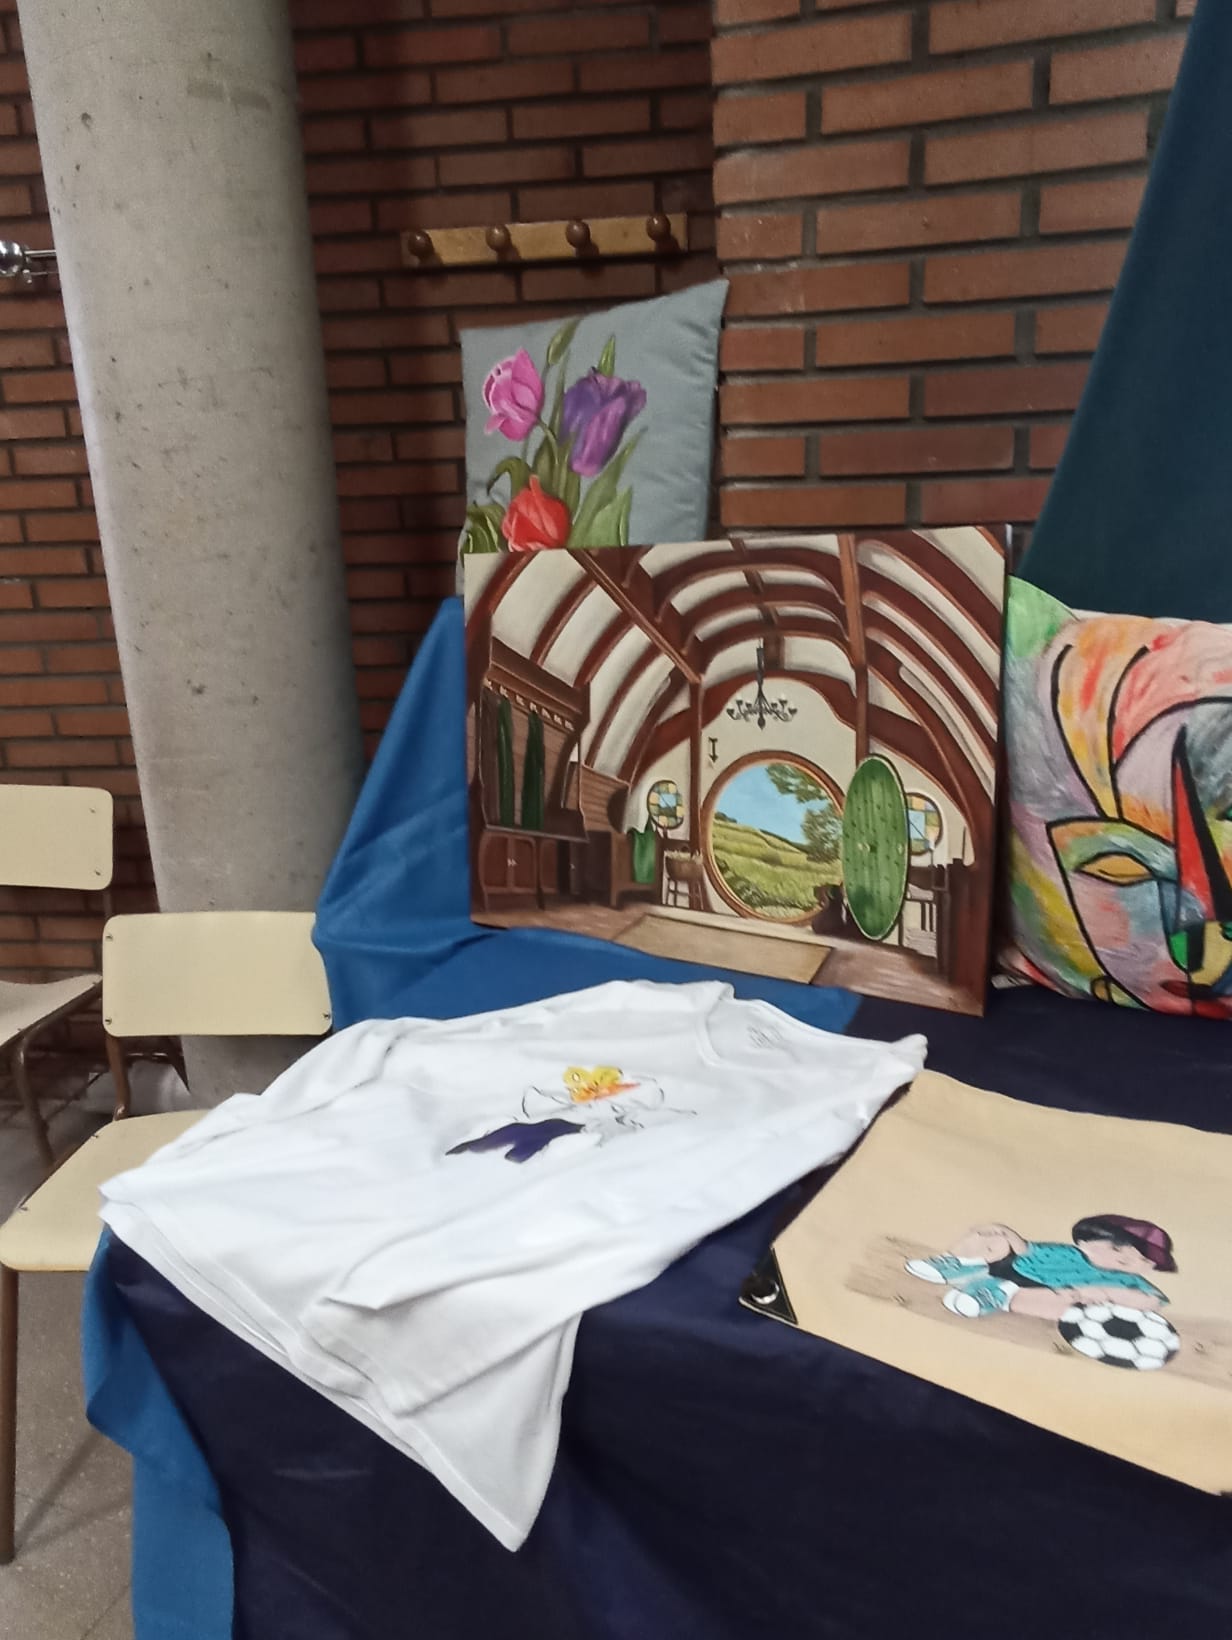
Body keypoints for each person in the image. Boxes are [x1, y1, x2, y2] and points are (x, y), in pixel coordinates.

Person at [905, 1213, 1176, 1320]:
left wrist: (1106, 1294)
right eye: (1116, 1249)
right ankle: (958, 1263)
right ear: (1084, 1242)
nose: (1125, 1259)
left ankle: (992, 1294)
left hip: (1038, 1292)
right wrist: (1006, 1232)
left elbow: (1153, 1301)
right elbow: (1026, 1249)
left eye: (1141, 1260)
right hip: (1012, 1268)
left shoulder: (1128, 1281)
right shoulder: (1067, 1253)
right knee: (996, 1237)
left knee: (1065, 1305)